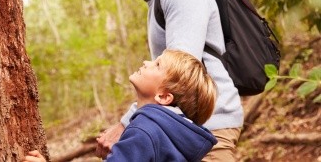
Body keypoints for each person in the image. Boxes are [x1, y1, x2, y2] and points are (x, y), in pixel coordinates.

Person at [96, 0, 243, 161]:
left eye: (157, 63)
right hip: (181, 129)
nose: (146, 63)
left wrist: (127, 124)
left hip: (205, 128)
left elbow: (180, 75)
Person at [23, 49, 218, 162]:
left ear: (164, 96)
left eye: (157, 65)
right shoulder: (170, 136)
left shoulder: (145, 131)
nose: (146, 62)